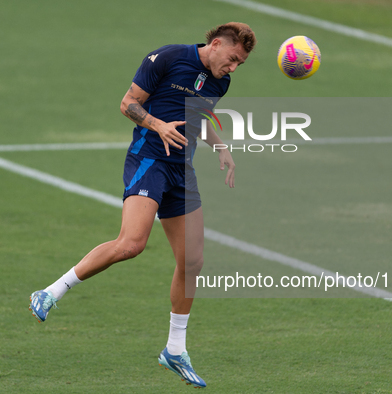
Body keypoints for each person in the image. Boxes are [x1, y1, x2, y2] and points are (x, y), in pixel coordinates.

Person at [29, 22, 256, 389]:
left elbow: (198, 115)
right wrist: (157, 125)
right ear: (215, 44)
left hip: (182, 171)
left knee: (192, 261)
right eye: (232, 59)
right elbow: (127, 103)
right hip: (149, 160)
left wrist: (221, 146)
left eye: (240, 64)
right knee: (132, 244)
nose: (233, 68)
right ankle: (52, 291)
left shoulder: (220, 81)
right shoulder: (167, 57)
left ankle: (175, 350)